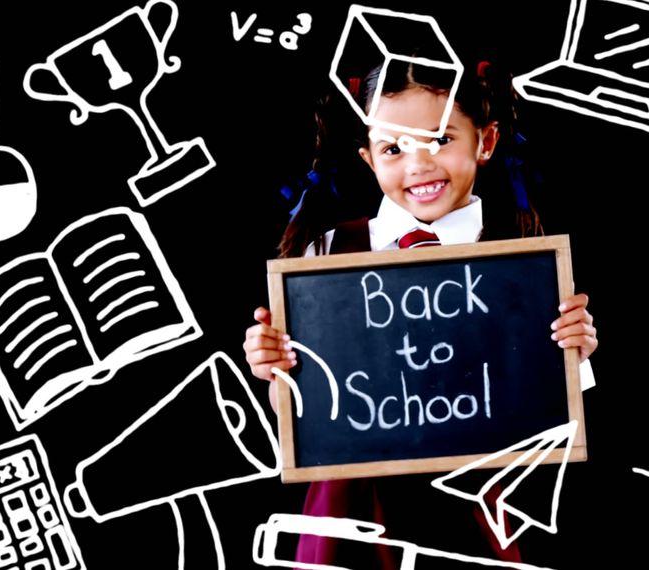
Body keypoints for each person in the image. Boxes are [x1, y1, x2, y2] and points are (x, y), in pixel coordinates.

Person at [243, 56, 597, 567]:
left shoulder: (521, 262)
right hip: (347, 511)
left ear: (486, 141)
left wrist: (573, 352)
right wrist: (271, 363)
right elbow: (301, 411)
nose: (419, 165)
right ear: (369, 159)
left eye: (440, 140)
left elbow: (544, 419)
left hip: (469, 508)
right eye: (393, 149)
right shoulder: (325, 255)